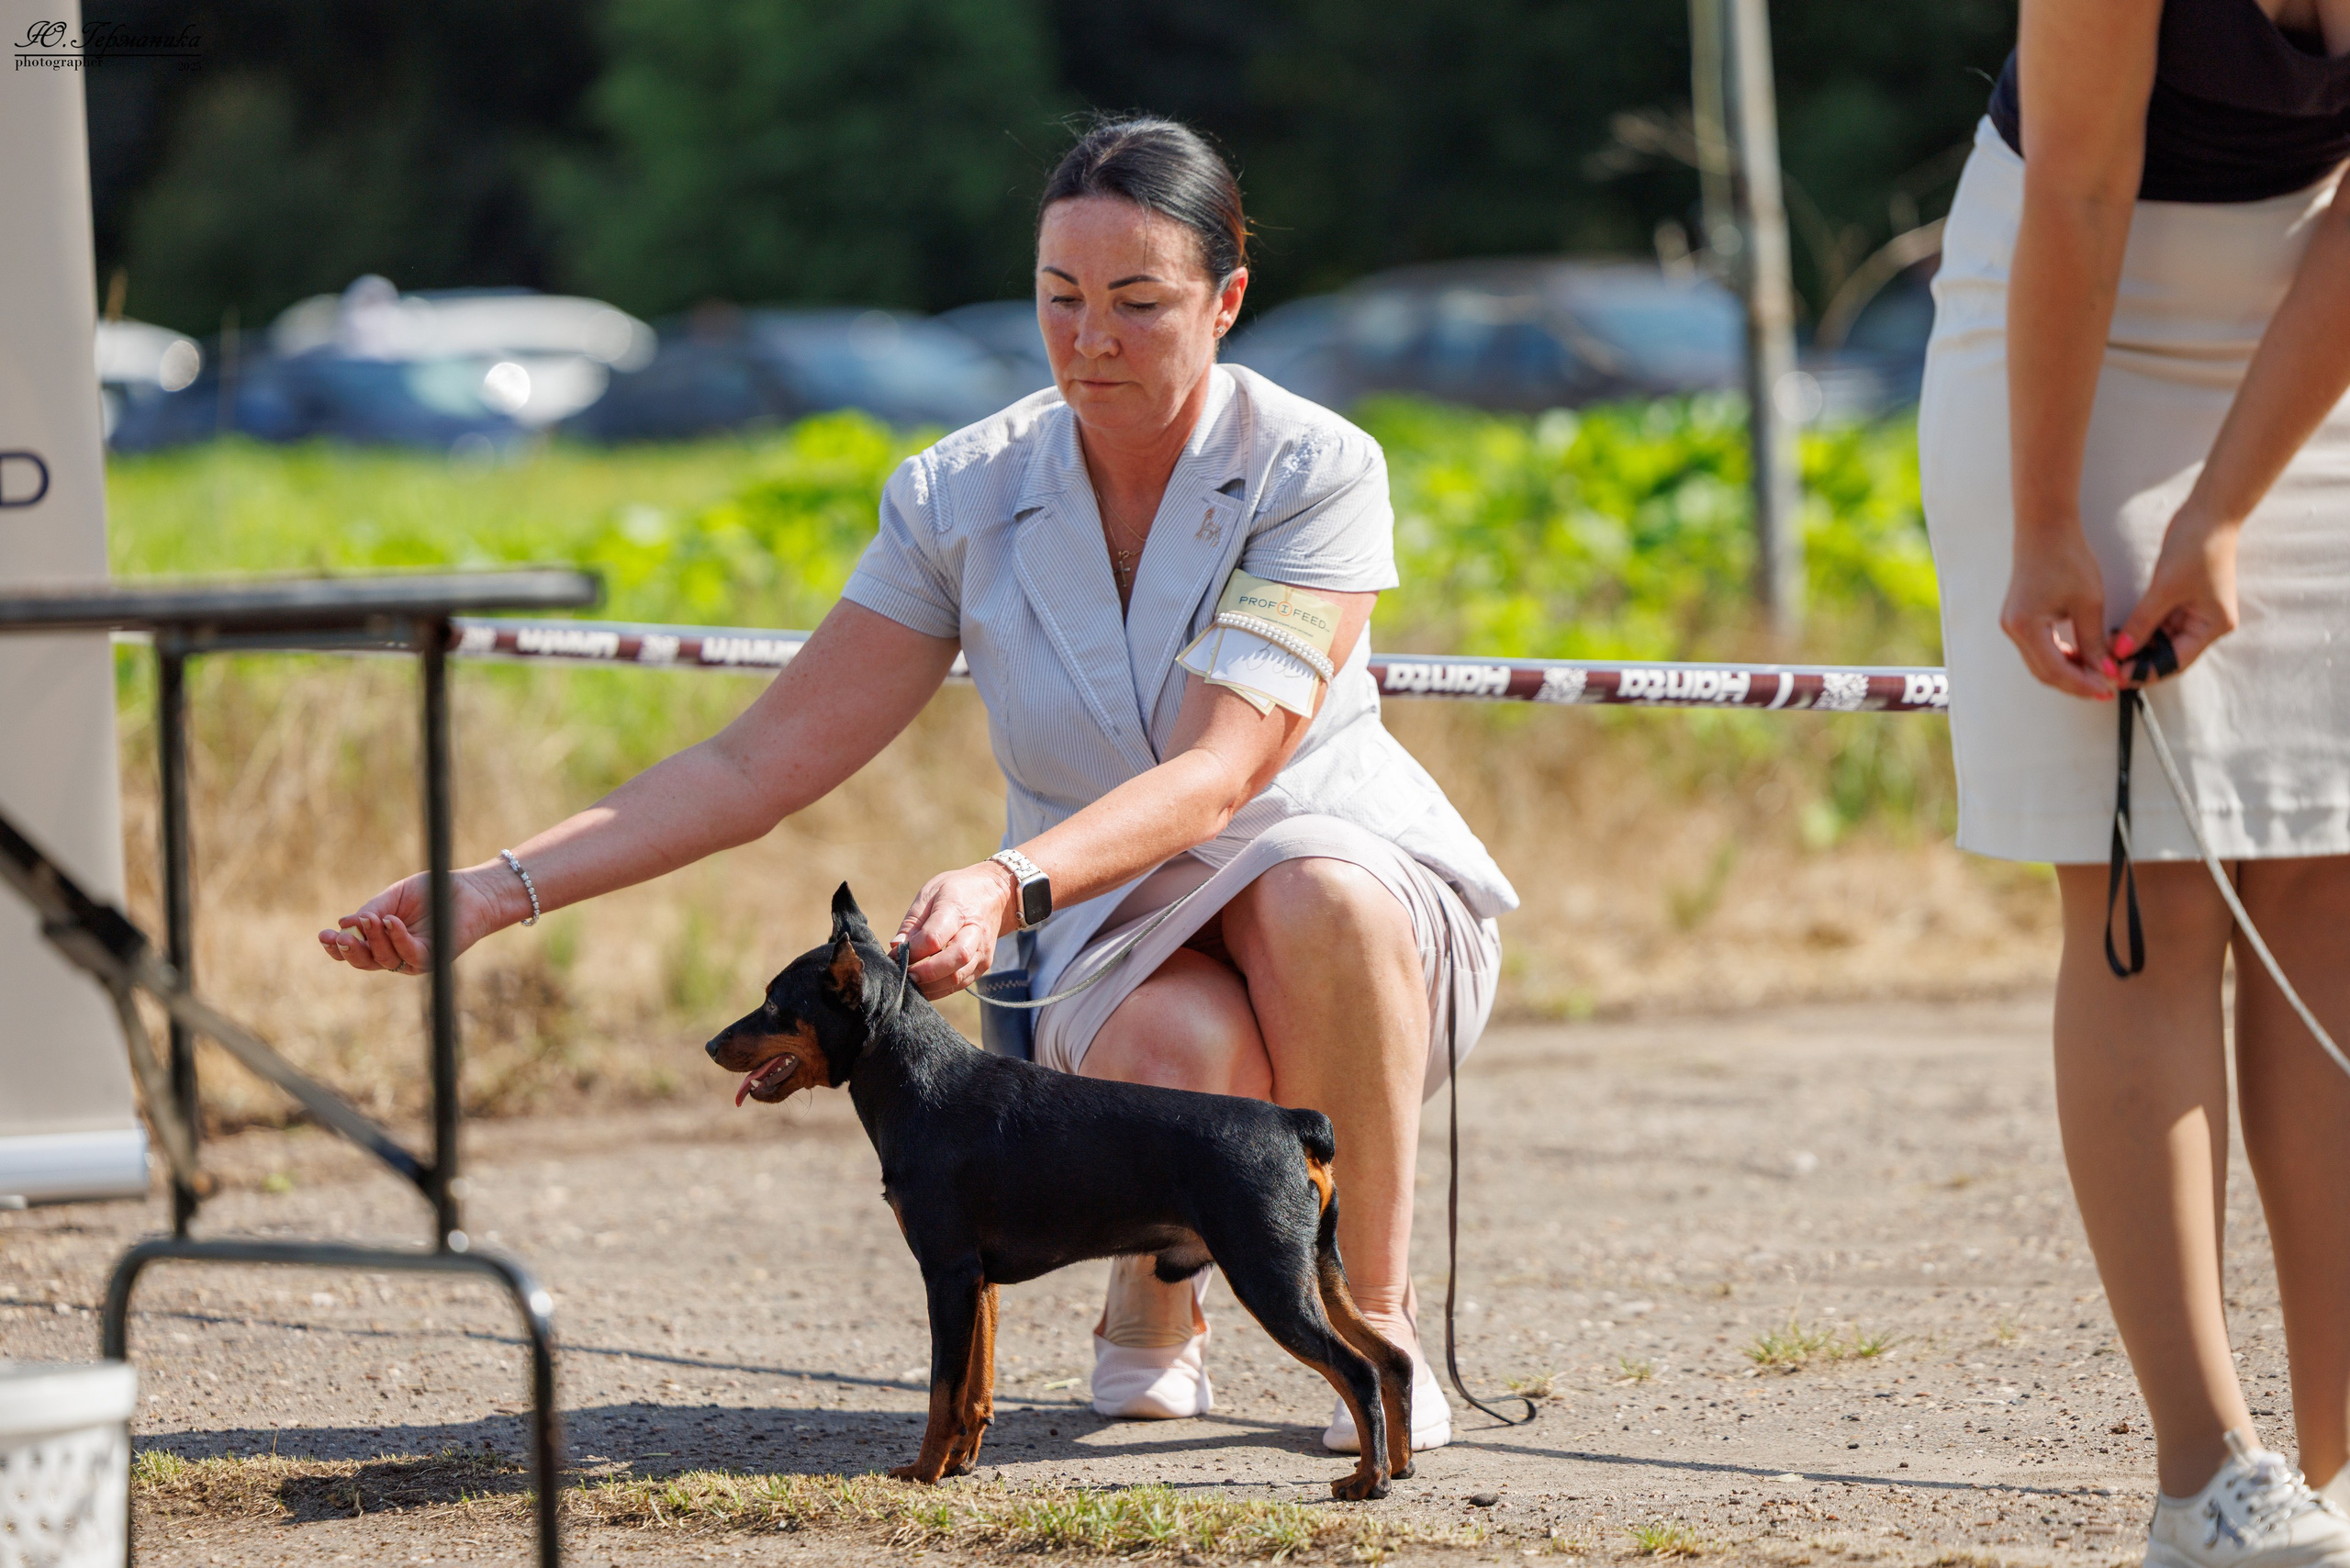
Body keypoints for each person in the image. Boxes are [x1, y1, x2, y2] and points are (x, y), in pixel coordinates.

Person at [319, 116, 1515, 1454]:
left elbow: (1222, 772)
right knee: (1183, 1051)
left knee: (1322, 893)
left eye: (1138, 302)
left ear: (1228, 300)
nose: (1090, 339)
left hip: (1337, 892)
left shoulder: (1319, 468)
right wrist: (500, 888)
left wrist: (1008, 879)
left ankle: (1379, 1311)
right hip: (1105, 927)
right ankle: (1154, 1300)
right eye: (1060, 298)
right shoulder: (961, 489)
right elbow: (755, 761)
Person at [1922, 1, 2350, 1561]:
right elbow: (2082, 188)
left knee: (2328, 875)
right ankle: (2206, 1475)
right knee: (2146, 888)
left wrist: (2225, 514)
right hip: (2069, 314)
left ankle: (2338, 1470)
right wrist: (2047, 523)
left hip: (2312, 319)